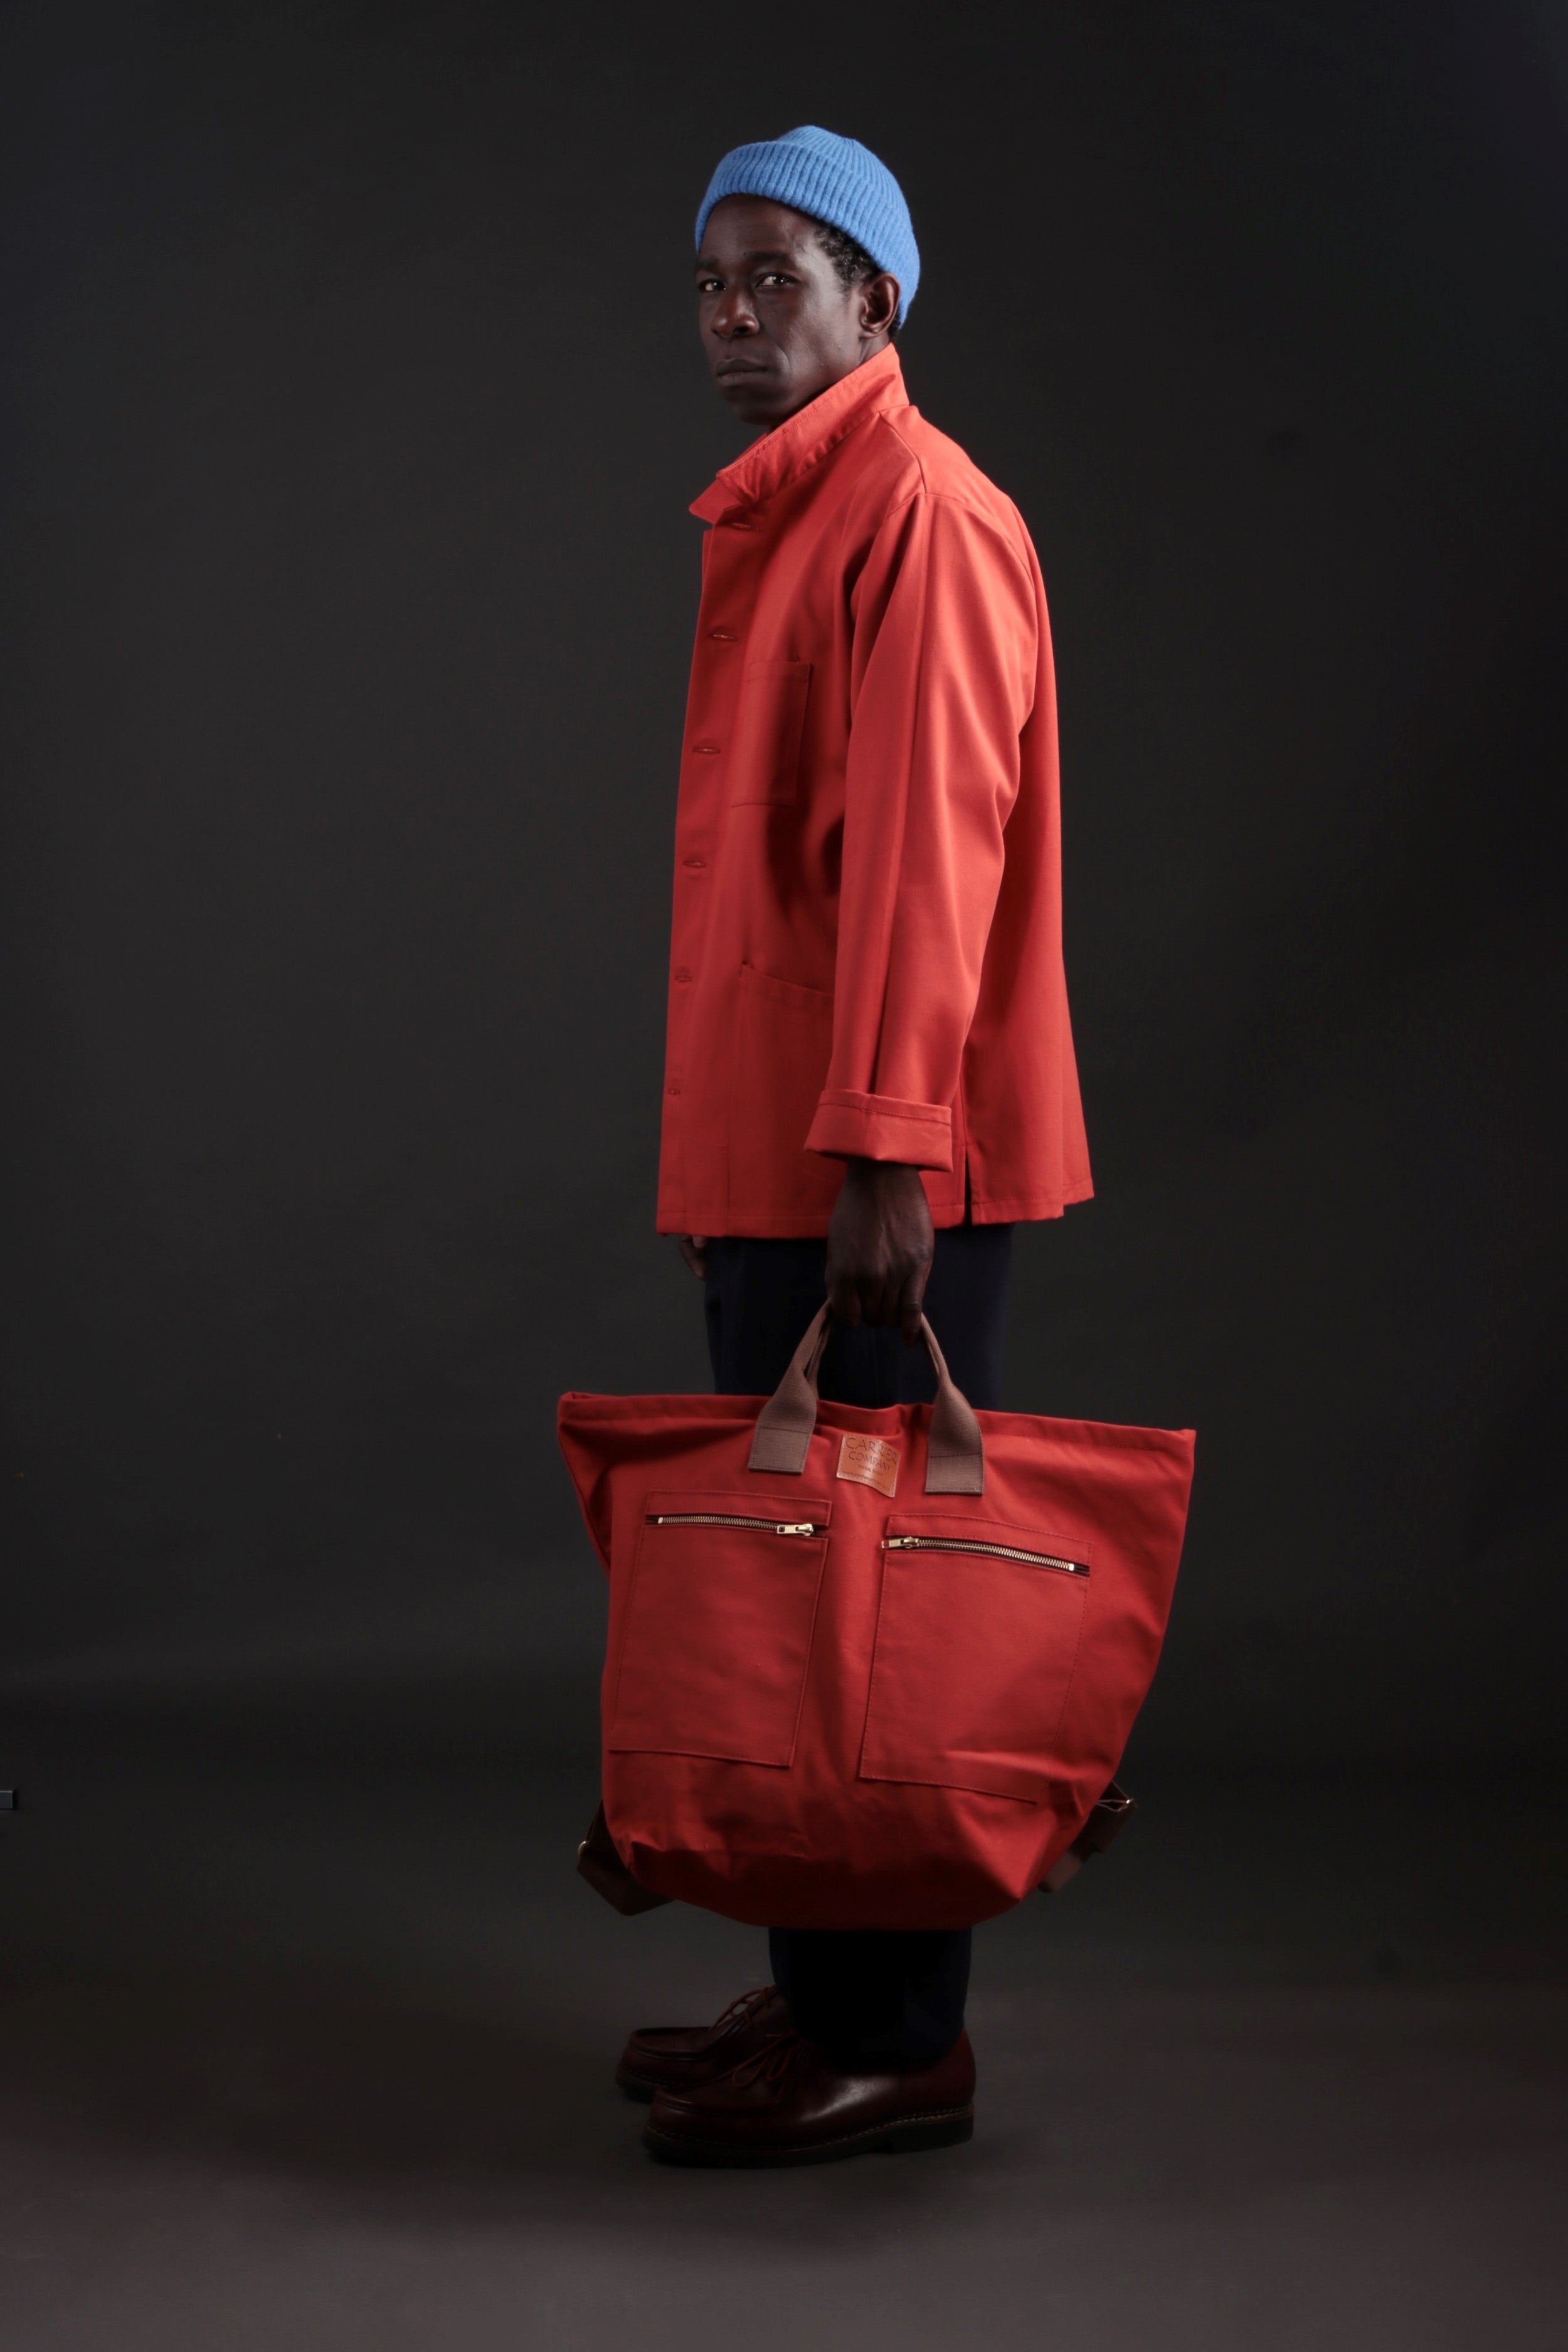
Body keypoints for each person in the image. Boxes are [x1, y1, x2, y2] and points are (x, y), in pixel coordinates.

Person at [618, 125, 1091, 2166]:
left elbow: (924, 867)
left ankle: (895, 2040)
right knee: (803, 1587)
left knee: (872, 1608)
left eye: (772, 279)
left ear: (873, 299)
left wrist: (888, 1158)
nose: (729, 317)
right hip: (786, 1148)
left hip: (877, 1165)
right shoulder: (798, 513)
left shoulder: (921, 514)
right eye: (707, 285)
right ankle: (826, 1996)